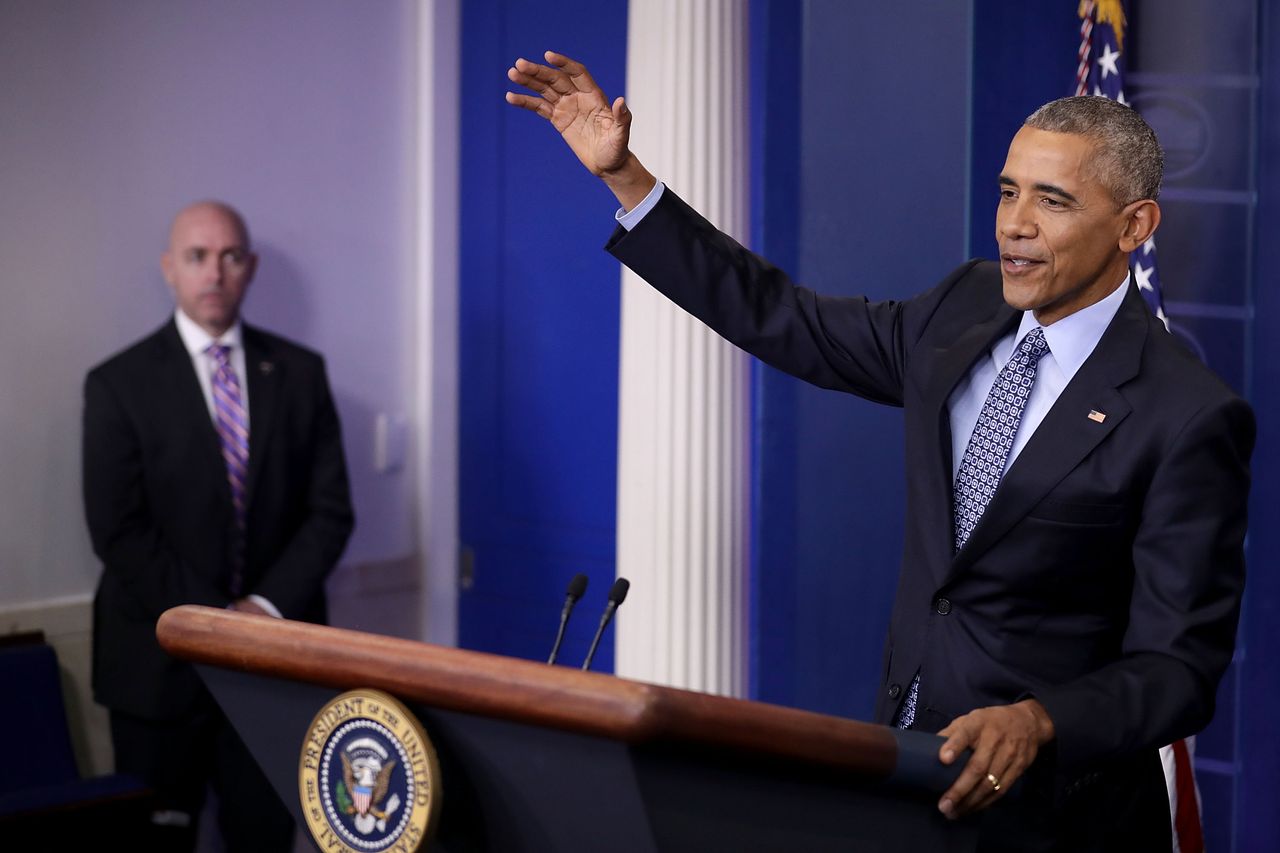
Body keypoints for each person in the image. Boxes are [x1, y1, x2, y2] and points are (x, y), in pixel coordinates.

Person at [505, 52, 1254, 851]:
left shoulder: (1187, 414)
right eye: (1007, 192)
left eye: (1053, 200)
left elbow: (1178, 668)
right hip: (903, 774)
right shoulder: (964, 306)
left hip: (1058, 815)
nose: (1014, 224)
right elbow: (783, 317)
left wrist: (1039, 720)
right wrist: (628, 181)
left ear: (1134, 226)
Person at [82, 201, 355, 850]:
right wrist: (218, 619)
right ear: (169, 269)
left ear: (250, 267)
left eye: (231, 255)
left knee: (263, 836)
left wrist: (260, 611)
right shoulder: (117, 384)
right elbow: (118, 531)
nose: (215, 272)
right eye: (197, 256)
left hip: (272, 669)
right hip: (155, 670)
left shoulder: (300, 373)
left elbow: (330, 512)